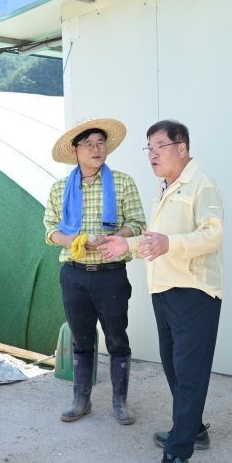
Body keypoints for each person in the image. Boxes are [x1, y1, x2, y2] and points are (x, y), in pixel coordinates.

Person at [100, 120, 223, 463]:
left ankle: (178, 451)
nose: (152, 154)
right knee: (172, 365)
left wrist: (170, 244)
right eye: (148, 148)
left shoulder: (202, 186)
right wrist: (128, 246)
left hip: (194, 292)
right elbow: (155, 240)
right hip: (165, 289)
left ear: (181, 148)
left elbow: (212, 235)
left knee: (189, 371)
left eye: (159, 146)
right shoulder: (165, 189)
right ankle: (194, 428)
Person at [44, 118, 146, 425]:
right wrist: (76, 240)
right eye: (88, 144)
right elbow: (50, 231)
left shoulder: (123, 182)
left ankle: (120, 402)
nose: (96, 149)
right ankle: (81, 400)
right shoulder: (61, 188)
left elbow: (138, 224)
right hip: (74, 274)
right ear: (75, 151)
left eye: (100, 143)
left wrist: (117, 238)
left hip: (111, 273)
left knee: (117, 338)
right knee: (81, 338)